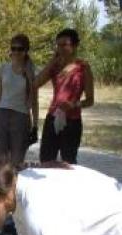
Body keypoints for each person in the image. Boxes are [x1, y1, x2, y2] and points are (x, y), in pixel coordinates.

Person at [32, 28, 94, 164]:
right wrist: (51, 62)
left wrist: (74, 104)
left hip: (72, 121)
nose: (60, 48)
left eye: (64, 45)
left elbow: (90, 100)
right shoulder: (55, 66)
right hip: (53, 117)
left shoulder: (83, 67)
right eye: (58, 45)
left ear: (75, 45)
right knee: (46, 160)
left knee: (68, 162)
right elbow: (35, 84)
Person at [0, 34, 38, 168]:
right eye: (13, 48)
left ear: (26, 50)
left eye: (19, 49)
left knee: (16, 162)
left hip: (21, 117)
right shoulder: (3, 69)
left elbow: (34, 101)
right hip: (1, 115)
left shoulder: (32, 72)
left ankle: (14, 188)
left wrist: (35, 126)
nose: (16, 52)